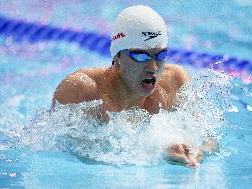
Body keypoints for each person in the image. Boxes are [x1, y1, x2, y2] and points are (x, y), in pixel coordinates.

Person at [52, 5, 217, 167]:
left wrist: (196, 149)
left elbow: (209, 139)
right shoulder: (82, 90)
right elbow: (62, 149)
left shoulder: (174, 82)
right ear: (117, 59)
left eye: (160, 55)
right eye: (140, 56)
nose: (153, 67)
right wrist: (158, 150)